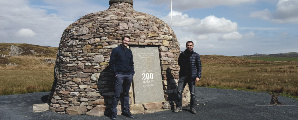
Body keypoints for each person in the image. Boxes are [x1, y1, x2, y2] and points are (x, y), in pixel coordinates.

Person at [109, 36, 135, 120]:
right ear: (122, 41)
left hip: (128, 75)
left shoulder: (129, 51)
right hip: (119, 75)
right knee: (117, 94)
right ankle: (113, 113)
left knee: (126, 94)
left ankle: (126, 111)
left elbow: (131, 63)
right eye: (125, 41)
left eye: (128, 41)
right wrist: (115, 73)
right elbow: (112, 63)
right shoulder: (116, 50)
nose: (126, 42)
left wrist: (132, 73)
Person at [174, 41, 202, 114]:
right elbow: (179, 63)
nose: (189, 46)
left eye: (190, 45)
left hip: (192, 77)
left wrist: (198, 76)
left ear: (193, 46)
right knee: (179, 91)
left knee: (192, 93)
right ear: (186, 46)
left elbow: (199, 66)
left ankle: (192, 108)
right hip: (183, 76)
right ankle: (179, 107)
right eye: (188, 45)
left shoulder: (196, 55)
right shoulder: (182, 55)